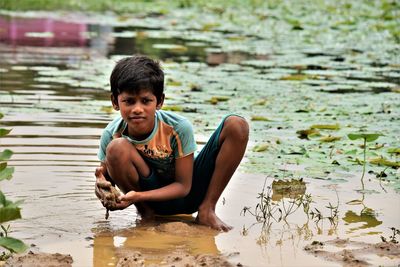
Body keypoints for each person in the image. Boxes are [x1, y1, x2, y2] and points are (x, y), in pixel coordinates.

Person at [95, 55, 249, 231]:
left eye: (146, 101)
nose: (137, 109)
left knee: (237, 125)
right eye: (129, 101)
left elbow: (183, 186)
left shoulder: (177, 127)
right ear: (115, 102)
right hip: (147, 204)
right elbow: (106, 184)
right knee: (116, 148)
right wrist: (102, 188)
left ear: (159, 101)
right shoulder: (112, 134)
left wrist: (138, 195)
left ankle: (207, 210)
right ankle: (146, 216)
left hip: (189, 194)